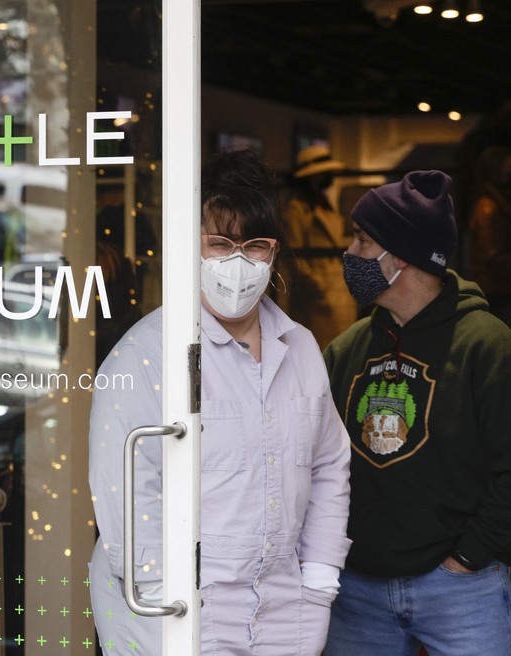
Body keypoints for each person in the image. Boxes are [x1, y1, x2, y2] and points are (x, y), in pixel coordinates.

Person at [88, 149, 351, 654]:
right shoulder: (146, 354)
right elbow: (127, 490)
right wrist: (164, 599)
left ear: (274, 253)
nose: (238, 262)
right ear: (190, 245)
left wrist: (318, 579)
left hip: (283, 607)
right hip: (177, 608)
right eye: (220, 243)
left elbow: (327, 466)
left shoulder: (299, 348)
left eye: (255, 245)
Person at [321, 170, 511, 655]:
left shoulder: (490, 349)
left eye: (362, 240)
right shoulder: (346, 350)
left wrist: (467, 558)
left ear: (401, 256)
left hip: (463, 591)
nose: (349, 253)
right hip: (358, 591)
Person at [280, 145, 359, 349]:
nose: (330, 177)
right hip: (317, 296)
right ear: (314, 177)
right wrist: (316, 285)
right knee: (320, 348)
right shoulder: (297, 209)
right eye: (325, 173)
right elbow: (293, 253)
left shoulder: (323, 204)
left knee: (341, 347)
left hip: (335, 286)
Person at [466, 145, 511, 333]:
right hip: (497, 290)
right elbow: (491, 255)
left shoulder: (502, 203)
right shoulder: (490, 206)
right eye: (508, 169)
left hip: (502, 288)